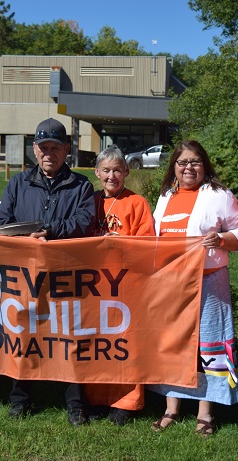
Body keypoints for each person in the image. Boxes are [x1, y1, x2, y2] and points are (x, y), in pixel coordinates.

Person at [0, 117, 95, 425]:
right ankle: (20, 398)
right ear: (34, 151)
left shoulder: (81, 185)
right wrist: (27, 238)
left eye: (54, 148)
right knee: (25, 334)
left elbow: (84, 221)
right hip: (26, 275)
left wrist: (49, 231)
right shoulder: (18, 183)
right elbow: (1, 225)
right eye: (42, 148)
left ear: (66, 150)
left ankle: (75, 404)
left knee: (69, 338)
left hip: (66, 272)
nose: (48, 154)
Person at [148, 140, 238, 437]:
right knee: (174, 343)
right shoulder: (166, 197)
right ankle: (171, 407)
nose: (188, 167)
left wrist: (221, 240)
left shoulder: (220, 195)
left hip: (208, 279)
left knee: (209, 344)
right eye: (182, 162)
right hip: (172, 281)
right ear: (174, 168)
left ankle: (206, 411)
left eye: (195, 162)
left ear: (204, 166)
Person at [83, 147, 155, 425]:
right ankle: (98, 398)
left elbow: (148, 243)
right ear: (97, 173)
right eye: (106, 170)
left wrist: (122, 243)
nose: (111, 175)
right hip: (94, 284)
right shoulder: (90, 200)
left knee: (125, 343)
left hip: (126, 285)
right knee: (97, 343)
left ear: (126, 172)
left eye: (117, 170)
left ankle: (126, 402)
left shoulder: (137, 203)